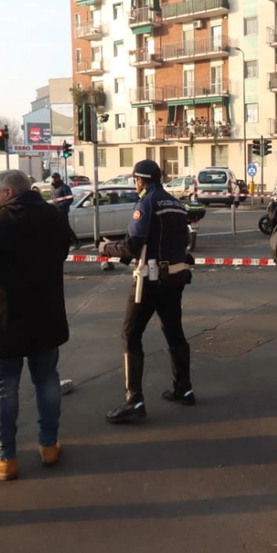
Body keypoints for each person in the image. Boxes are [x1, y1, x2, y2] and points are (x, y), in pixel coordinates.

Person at [0, 169, 71, 481]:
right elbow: (62, 253)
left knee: (4, 386)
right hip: (46, 316)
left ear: (7, 193)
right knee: (47, 380)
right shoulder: (55, 216)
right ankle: (49, 446)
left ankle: (4, 458)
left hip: (1, 320)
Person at [99, 159, 194, 423]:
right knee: (174, 330)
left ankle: (134, 399)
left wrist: (107, 248)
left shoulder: (147, 202)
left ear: (139, 180)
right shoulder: (176, 203)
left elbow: (134, 244)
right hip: (175, 277)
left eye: (134, 179)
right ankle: (183, 388)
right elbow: (181, 241)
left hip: (150, 280)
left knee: (130, 334)